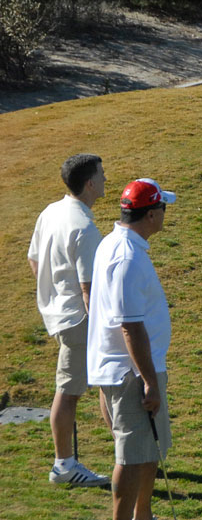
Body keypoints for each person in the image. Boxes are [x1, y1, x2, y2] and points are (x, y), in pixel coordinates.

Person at [88, 178, 178, 520]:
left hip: (134, 368)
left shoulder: (116, 243)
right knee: (131, 454)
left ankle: (143, 519)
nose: (166, 215)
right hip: (132, 373)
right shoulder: (128, 258)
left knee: (148, 449)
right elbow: (130, 326)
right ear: (151, 214)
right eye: (163, 208)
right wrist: (148, 381)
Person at [28, 153, 111, 487]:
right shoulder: (85, 229)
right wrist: (105, 327)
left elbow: (34, 260)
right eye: (101, 174)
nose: (106, 179)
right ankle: (64, 465)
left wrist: (53, 294)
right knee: (68, 391)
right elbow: (90, 289)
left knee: (103, 382)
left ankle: (127, 453)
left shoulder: (51, 211)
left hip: (61, 313)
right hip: (79, 319)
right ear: (89, 183)